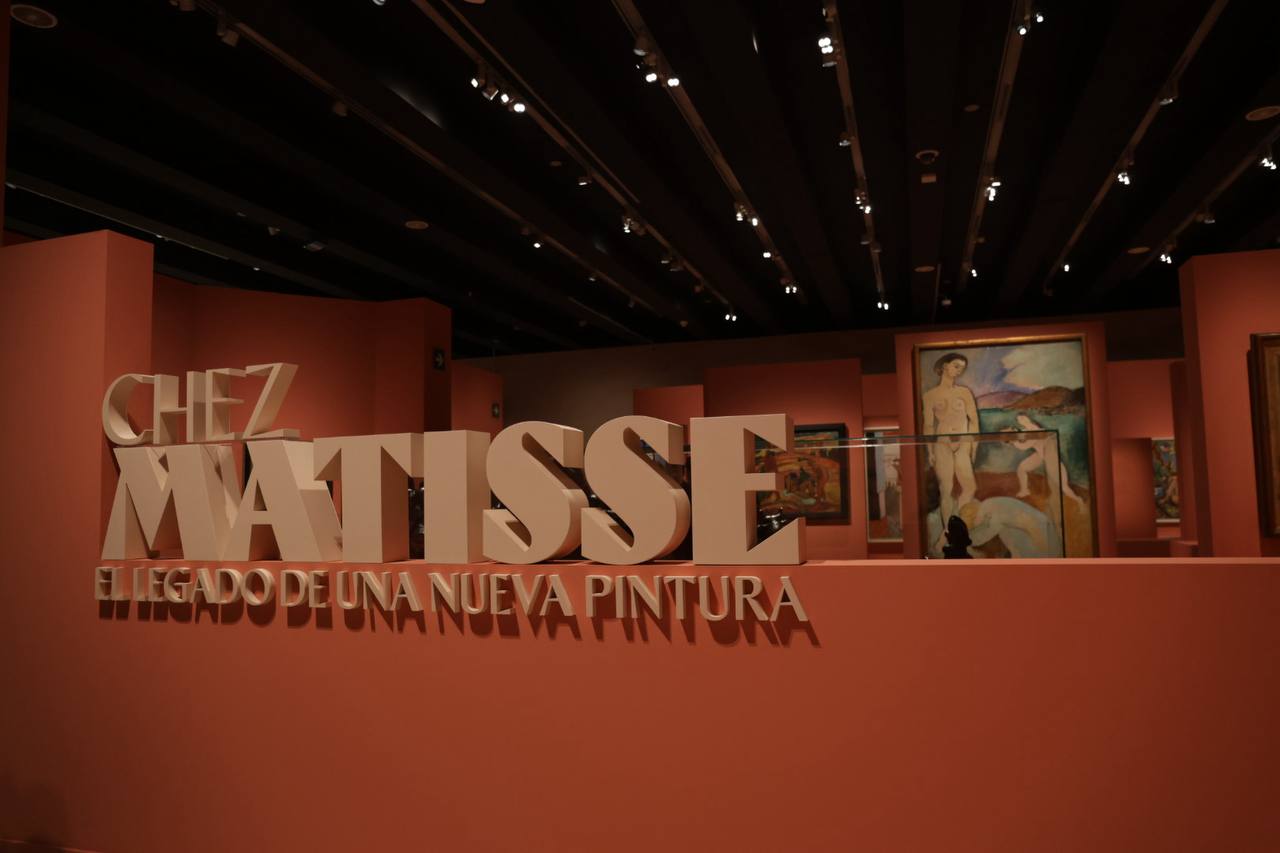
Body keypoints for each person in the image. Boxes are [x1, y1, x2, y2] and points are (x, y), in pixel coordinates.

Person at [922, 353, 979, 532]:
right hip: (942, 443)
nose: (959, 370)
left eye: (962, 368)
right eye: (956, 366)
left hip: (963, 443)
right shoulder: (930, 395)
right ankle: (948, 530)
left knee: (970, 487)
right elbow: (928, 426)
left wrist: (973, 446)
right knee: (945, 488)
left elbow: (974, 421)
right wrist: (929, 451)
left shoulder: (964, 392)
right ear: (944, 366)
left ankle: (959, 523)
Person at [1008, 413, 1084, 507]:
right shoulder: (1026, 430)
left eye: (1023, 418)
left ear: (1028, 417)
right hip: (1040, 455)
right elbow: (1021, 437)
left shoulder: (1036, 430)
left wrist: (1013, 441)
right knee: (1021, 468)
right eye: (1019, 420)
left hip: (1050, 458)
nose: (1021, 421)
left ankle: (1079, 501)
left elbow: (1024, 446)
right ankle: (1024, 490)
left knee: (1063, 486)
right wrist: (1012, 435)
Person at [959, 496, 1063, 558]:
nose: (976, 526)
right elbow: (993, 531)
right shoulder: (988, 508)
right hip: (1033, 528)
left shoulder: (989, 512)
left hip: (1039, 531)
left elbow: (984, 534)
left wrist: (965, 540)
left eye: (973, 525)